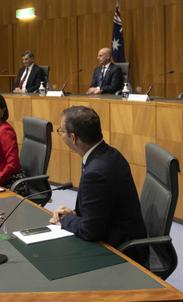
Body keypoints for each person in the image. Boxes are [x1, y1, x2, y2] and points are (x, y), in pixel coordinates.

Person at [50, 106, 147, 264]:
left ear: (73, 138)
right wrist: (76, 214)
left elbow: (90, 231)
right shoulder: (108, 153)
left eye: (61, 131)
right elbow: (101, 207)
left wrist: (65, 219)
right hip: (118, 232)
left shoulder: (96, 172)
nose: (60, 134)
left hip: (121, 251)